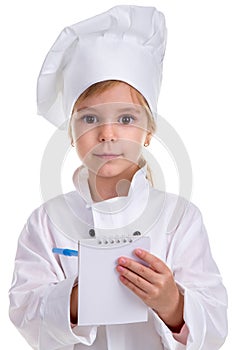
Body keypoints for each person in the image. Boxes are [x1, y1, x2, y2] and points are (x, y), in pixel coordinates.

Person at [9, 5, 227, 350]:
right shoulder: (46, 222)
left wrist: (173, 305)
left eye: (126, 119)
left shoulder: (180, 219)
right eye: (90, 119)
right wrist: (80, 298)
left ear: (149, 132)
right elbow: (23, 311)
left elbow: (215, 324)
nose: (107, 134)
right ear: (70, 132)